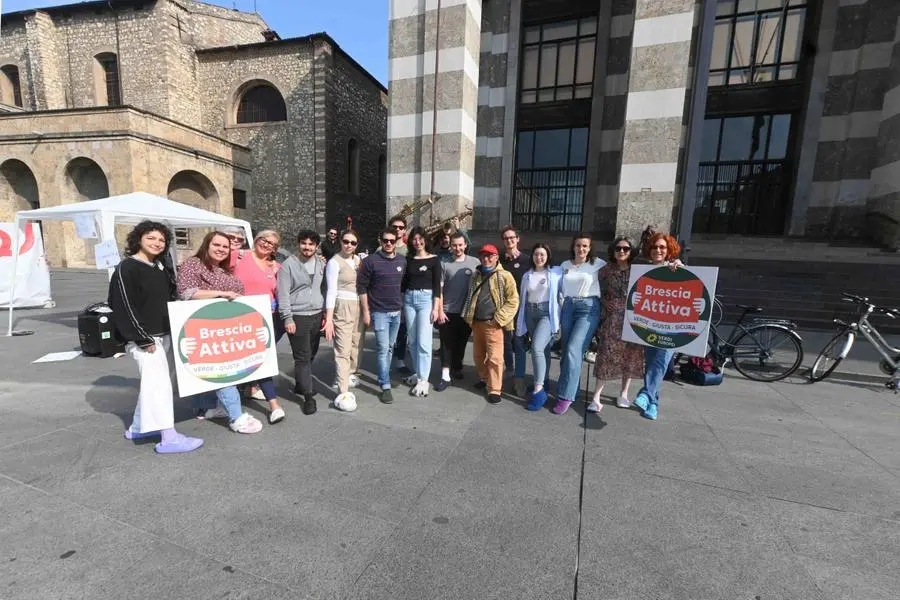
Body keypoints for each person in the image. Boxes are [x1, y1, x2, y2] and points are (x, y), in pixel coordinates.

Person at [108, 221, 204, 454]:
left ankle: (139, 427)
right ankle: (168, 438)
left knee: (155, 384)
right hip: (146, 340)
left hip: (164, 335)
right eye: (151, 238)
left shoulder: (158, 266)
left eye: (161, 240)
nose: (157, 243)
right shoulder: (127, 268)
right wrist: (142, 339)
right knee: (158, 387)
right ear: (139, 239)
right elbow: (123, 306)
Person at [176, 231, 264, 434]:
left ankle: (208, 408)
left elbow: (239, 292)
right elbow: (186, 292)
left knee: (215, 372)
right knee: (222, 374)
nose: (221, 249)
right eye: (217, 245)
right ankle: (236, 416)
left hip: (223, 330)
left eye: (225, 247)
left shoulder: (224, 272)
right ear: (207, 244)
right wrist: (221, 294)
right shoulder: (193, 264)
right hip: (201, 328)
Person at [232, 229, 286, 424]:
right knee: (241, 358)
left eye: (272, 244)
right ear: (256, 240)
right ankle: (273, 404)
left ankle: (253, 389)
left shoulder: (277, 267)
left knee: (260, 358)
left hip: (266, 319)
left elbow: (282, 293)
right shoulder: (239, 256)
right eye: (264, 240)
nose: (266, 244)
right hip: (237, 317)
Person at [589, 237, 645, 413]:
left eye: (626, 249)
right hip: (612, 318)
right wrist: (604, 301)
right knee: (606, 353)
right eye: (618, 248)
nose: (621, 251)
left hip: (634, 318)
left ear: (631, 251)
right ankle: (596, 396)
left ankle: (624, 393)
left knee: (630, 355)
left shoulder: (639, 270)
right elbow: (594, 288)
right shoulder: (606, 270)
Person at [552, 234, 606, 415]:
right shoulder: (564, 266)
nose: (581, 249)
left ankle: (565, 396)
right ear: (573, 247)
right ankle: (569, 386)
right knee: (566, 348)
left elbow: (623, 266)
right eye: (578, 245)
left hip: (588, 308)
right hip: (567, 307)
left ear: (590, 248)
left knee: (573, 349)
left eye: (585, 246)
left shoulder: (597, 264)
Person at [632, 232, 684, 421]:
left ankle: (646, 394)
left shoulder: (676, 269)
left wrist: (680, 267)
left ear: (669, 250)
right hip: (649, 324)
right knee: (653, 364)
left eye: (662, 247)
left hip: (672, 328)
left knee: (661, 360)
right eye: (655, 247)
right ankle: (653, 403)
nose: (658, 250)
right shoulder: (643, 271)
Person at [462, 244, 519, 404]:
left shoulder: (504, 276)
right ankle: (485, 378)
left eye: (489, 256)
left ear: (496, 257)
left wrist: (499, 319)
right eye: (483, 256)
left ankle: (494, 389)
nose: (486, 259)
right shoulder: (475, 275)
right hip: (477, 322)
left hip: (494, 324)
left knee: (495, 358)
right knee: (478, 356)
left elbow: (513, 301)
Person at [277, 229, 326, 416]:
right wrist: (287, 318)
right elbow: (282, 294)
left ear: (316, 246)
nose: (307, 247)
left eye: (311, 244)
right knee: (303, 356)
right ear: (298, 244)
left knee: (311, 353)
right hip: (298, 316)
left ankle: (300, 384)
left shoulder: (320, 264)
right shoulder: (288, 265)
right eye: (304, 243)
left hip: (316, 314)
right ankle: (307, 396)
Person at [358, 227, 407, 404]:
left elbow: (402, 286)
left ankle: (384, 374)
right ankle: (385, 384)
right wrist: (366, 312)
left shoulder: (402, 260)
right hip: (379, 313)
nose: (388, 243)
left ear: (396, 242)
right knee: (382, 348)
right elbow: (362, 287)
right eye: (385, 240)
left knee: (390, 347)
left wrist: (402, 310)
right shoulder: (371, 261)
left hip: (396, 312)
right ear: (380, 241)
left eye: (391, 241)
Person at [515, 243, 562, 411]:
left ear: (548, 256)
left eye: (542, 254)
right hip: (529, 313)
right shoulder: (527, 275)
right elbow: (523, 298)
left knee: (536, 348)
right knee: (544, 350)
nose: (539, 257)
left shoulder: (556, 273)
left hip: (545, 314)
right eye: (536, 254)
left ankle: (539, 389)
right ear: (532, 257)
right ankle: (545, 380)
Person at [324, 227, 364, 411]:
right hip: (342, 305)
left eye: (353, 242)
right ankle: (343, 389)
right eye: (346, 241)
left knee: (356, 343)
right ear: (340, 241)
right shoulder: (334, 262)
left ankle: (350, 374)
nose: (349, 245)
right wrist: (329, 318)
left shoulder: (358, 260)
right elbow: (331, 291)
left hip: (358, 306)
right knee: (342, 348)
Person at [435, 232, 479, 391]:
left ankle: (457, 366)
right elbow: (438, 289)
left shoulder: (475, 262)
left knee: (461, 343)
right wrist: (440, 310)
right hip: (447, 310)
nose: (458, 248)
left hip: (466, 312)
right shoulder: (444, 263)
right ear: (450, 245)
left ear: (465, 245)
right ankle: (445, 375)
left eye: (460, 245)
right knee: (446, 343)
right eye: (454, 245)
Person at [401, 227, 443, 397]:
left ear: (425, 239)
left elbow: (437, 288)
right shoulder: (408, 260)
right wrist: (401, 305)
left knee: (424, 343)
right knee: (412, 341)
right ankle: (418, 373)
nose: (417, 242)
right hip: (409, 299)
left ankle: (424, 380)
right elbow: (403, 285)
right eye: (414, 239)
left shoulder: (434, 260)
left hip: (426, 300)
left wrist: (436, 308)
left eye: (420, 238)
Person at [499, 225, 531, 396]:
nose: (509, 240)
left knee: (518, 344)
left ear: (518, 239)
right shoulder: (500, 261)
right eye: (506, 238)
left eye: (512, 237)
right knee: (504, 344)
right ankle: (507, 373)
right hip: (503, 310)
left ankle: (519, 380)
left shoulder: (527, 260)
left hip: (520, 310)